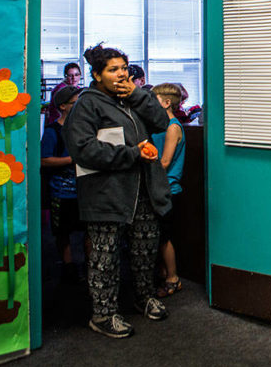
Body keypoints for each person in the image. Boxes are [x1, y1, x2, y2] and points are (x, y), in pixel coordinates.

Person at [62, 43, 172, 338]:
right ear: (97, 75)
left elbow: (162, 122)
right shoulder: (88, 103)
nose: (122, 74)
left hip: (143, 189)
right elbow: (82, 149)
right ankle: (103, 314)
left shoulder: (134, 97)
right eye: (113, 70)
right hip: (106, 193)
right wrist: (131, 153)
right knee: (105, 256)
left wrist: (137, 95)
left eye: (124, 68)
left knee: (144, 249)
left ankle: (144, 296)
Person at [40, 84, 83, 283]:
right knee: (63, 233)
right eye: (75, 103)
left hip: (84, 192)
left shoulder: (84, 129)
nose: (79, 106)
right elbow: (44, 160)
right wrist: (71, 160)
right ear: (63, 106)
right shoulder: (52, 131)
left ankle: (90, 266)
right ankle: (68, 267)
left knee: (89, 231)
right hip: (61, 192)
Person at [151, 83, 186, 298]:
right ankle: (163, 275)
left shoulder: (173, 127)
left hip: (169, 189)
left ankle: (173, 278)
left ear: (166, 103)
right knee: (158, 236)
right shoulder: (159, 125)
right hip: (157, 187)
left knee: (164, 237)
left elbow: (164, 161)